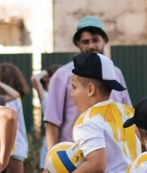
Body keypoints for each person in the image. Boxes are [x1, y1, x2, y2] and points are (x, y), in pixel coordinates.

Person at [41, 16, 124, 156]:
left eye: (95, 40)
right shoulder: (62, 75)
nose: (91, 46)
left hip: (112, 155)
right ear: (78, 44)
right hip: (74, 155)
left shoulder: (115, 73)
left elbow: (125, 114)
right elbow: (52, 122)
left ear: (104, 41)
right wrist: (52, 159)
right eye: (85, 42)